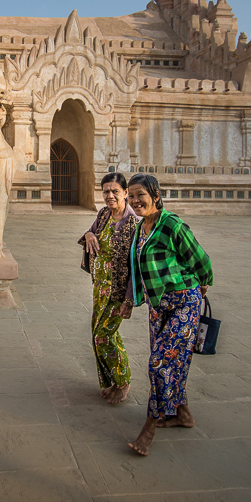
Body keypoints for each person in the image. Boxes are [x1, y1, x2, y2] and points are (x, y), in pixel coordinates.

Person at [125, 173, 212, 455]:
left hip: (184, 303)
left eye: (140, 194)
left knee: (159, 363)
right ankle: (182, 414)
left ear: (156, 195)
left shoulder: (171, 224)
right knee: (175, 361)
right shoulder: (142, 228)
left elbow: (201, 260)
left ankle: (149, 429)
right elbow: (139, 267)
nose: (135, 200)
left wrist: (203, 283)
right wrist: (131, 299)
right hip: (158, 306)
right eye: (132, 195)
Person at [79, 172, 140, 405]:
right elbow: (91, 231)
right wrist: (89, 234)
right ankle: (114, 380)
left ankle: (123, 382)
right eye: (106, 191)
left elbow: (136, 265)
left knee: (102, 335)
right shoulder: (104, 214)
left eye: (115, 191)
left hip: (118, 291)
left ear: (126, 192)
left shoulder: (133, 222)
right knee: (103, 334)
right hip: (100, 287)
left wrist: (129, 300)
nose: (110, 195)